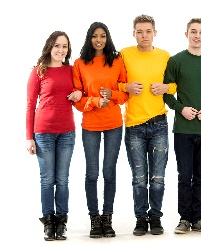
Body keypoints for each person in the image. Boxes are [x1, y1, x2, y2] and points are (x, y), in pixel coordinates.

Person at [119, 14, 176, 236]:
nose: (144, 35)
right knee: (139, 177)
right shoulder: (124, 54)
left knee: (158, 177)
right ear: (134, 33)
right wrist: (126, 87)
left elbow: (175, 84)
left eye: (148, 31)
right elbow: (114, 82)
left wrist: (165, 88)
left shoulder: (164, 56)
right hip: (134, 125)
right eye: (140, 31)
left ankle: (156, 218)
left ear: (155, 33)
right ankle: (141, 218)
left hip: (159, 123)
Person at [163, 18, 201, 234]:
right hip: (183, 129)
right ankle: (184, 219)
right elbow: (167, 94)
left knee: (200, 176)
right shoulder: (175, 60)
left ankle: (198, 218)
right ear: (186, 34)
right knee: (184, 175)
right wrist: (181, 108)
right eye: (193, 31)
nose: (197, 35)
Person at [72, 22, 129, 238]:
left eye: (103, 36)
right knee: (92, 173)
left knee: (109, 172)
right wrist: (96, 100)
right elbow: (77, 100)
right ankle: (94, 218)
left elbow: (124, 95)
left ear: (107, 38)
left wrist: (111, 95)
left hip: (114, 124)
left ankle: (107, 217)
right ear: (89, 38)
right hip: (91, 126)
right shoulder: (80, 64)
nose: (99, 40)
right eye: (95, 36)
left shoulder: (117, 61)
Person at [26, 31, 81, 241]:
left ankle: (61, 221)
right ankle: (49, 221)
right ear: (50, 46)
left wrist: (80, 94)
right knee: (47, 180)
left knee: (63, 179)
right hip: (43, 132)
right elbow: (30, 105)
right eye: (57, 45)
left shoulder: (71, 69)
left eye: (65, 46)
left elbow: (81, 89)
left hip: (67, 132)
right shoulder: (39, 72)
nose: (61, 50)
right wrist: (29, 137)